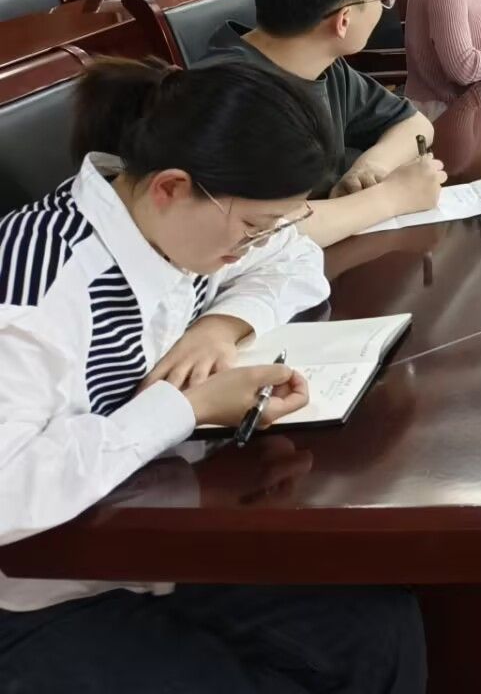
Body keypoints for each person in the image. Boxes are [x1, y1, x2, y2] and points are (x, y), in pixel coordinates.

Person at [0, 59, 426, 691]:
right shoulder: (37, 290)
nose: (251, 246)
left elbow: (293, 258)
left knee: (376, 629)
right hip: (39, 586)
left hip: (149, 538)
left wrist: (219, 327)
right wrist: (189, 408)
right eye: (251, 228)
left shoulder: (167, 221)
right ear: (171, 187)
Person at [204, 0, 445, 246]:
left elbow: (414, 124)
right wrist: (392, 197)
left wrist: (369, 168)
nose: (384, 7)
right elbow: (256, 234)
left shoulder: (321, 62)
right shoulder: (232, 96)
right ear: (343, 21)